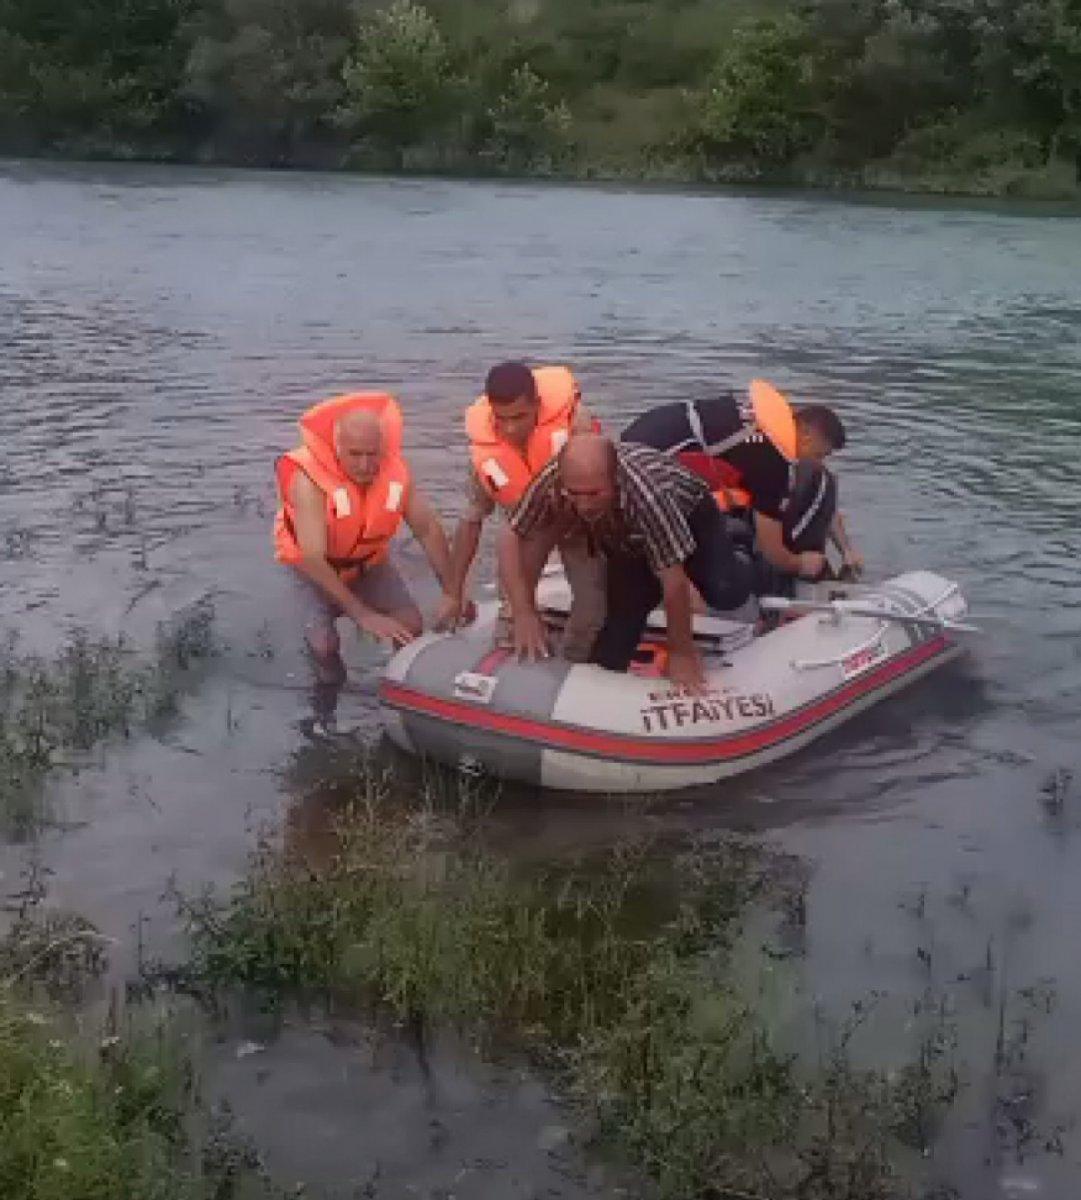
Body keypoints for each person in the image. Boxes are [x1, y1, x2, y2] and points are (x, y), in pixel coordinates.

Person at [498, 433, 754, 692]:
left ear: (614, 479)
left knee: (723, 590)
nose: (583, 506)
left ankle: (739, 542)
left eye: (593, 494)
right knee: (617, 633)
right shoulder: (553, 479)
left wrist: (681, 653)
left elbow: (673, 581)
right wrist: (523, 611)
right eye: (574, 494)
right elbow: (513, 533)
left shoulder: (648, 495)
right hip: (624, 534)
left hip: (688, 513)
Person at [274, 391, 453, 732]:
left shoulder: (396, 474)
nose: (365, 465)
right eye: (354, 454)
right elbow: (311, 557)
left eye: (373, 455)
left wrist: (452, 591)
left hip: (367, 564)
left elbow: (428, 528)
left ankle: (397, 695)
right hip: (315, 572)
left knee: (410, 626)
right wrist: (362, 614)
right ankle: (325, 707)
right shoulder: (309, 480)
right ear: (337, 447)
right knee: (324, 646)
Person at [435, 361, 605, 661]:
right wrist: (453, 590)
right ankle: (511, 648)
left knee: (592, 608)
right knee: (514, 608)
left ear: (537, 405)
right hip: (524, 535)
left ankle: (576, 662)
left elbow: (608, 489)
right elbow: (471, 521)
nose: (511, 428)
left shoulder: (576, 425)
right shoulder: (486, 453)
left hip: (581, 524)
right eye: (502, 419)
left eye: (520, 416)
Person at [620, 380, 862, 586]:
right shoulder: (771, 461)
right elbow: (771, 549)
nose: (818, 462)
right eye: (820, 455)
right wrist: (800, 564)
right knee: (747, 564)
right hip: (643, 472)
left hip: (637, 440)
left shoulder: (758, 423)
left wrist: (846, 548)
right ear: (807, 434)